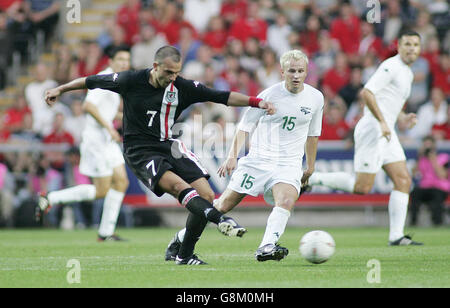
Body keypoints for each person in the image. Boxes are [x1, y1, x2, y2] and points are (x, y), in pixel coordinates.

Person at [42, 45, 276, 265]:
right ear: (155, 66)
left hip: (168, 145)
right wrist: (60, 89)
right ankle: (221, 220)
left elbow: (221, 96)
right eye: (168, 72)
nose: (172, 77)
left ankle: (184, 254)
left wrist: (257, 102)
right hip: (140, 151)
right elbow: (91, 81)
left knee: (206, 193)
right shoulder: (131, 79)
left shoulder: (182, 87)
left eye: (176, 72)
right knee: (178, 187)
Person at [165, 49, 324, 262]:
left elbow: (313, 134)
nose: (296, 75)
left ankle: (267, 246)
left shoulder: (315, 98)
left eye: (300, 71)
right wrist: (232, 156)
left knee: (286, 200)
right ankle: (180, 239)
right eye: (291, 71)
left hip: (289, 163)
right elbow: (245, 126)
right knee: (222, 206)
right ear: (282, 71)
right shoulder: (269, 95)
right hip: (259, 160)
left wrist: (310, 166)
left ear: (306, 73)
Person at [306, 30, 424, 246]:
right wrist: (381, 121)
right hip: (373, 128)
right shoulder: (391, 66)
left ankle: (396, 236)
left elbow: (388, 101)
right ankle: (314, 178)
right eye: (407, 44)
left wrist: (403, 117)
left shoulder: (407, 72)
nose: (411, 49)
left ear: (419, 48)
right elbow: (367, 92)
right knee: (362, 187)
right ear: (399, 45)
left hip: (387, 130)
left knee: (403, 180)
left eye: (415, 45)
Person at [37, 46, 131, 241]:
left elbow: (107, 111)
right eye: (120, 59)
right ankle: (50, 198)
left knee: (121, 182)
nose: (124, 63)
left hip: (106, 140)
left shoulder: (116, 81)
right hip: (96, 140)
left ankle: (106, 232)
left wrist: (129, 116)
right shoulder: (104, 78)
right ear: (110, 61)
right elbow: (89, 106)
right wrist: (110, 128)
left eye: (126, 59)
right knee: (101, 190)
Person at [410, 135, 449, 226]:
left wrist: (433, 159)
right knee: (415, 193)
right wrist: (419, 157)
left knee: (436, 199)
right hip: (425, 187)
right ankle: (413, 222)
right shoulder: (422, 159)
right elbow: (414, 173)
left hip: (439, 187)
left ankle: (437, 223)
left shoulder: (443, 157)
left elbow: (442, 175)